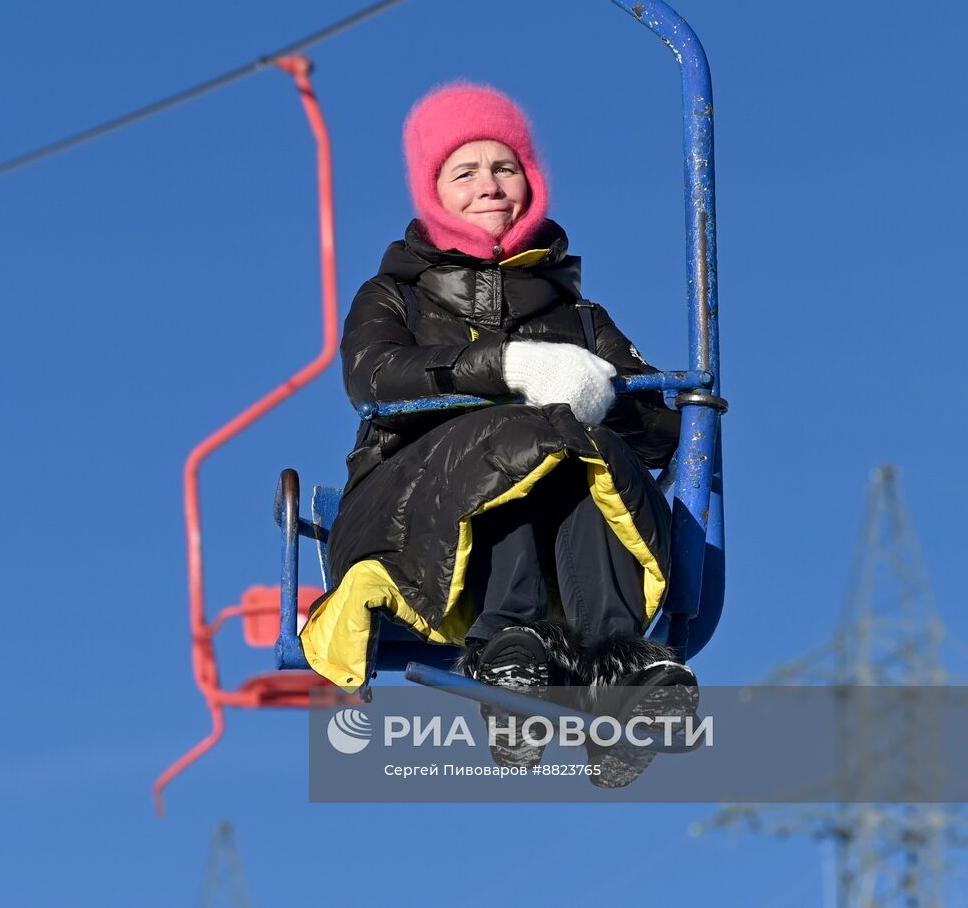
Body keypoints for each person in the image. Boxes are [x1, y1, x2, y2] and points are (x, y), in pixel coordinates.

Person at [296, 82, 697, 786]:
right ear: (433, 191)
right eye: (465, 171)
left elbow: (661, 429)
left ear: (530, 181)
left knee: (578, 444)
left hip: (565, 509)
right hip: (413, 506)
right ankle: (507, 638)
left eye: (505, 167)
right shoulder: (397, 294)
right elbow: (374, 376)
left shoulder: (579, 314)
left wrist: (605, 396)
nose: (490, 185)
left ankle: (615, 663)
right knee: (518, 434)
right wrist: (505, 364)